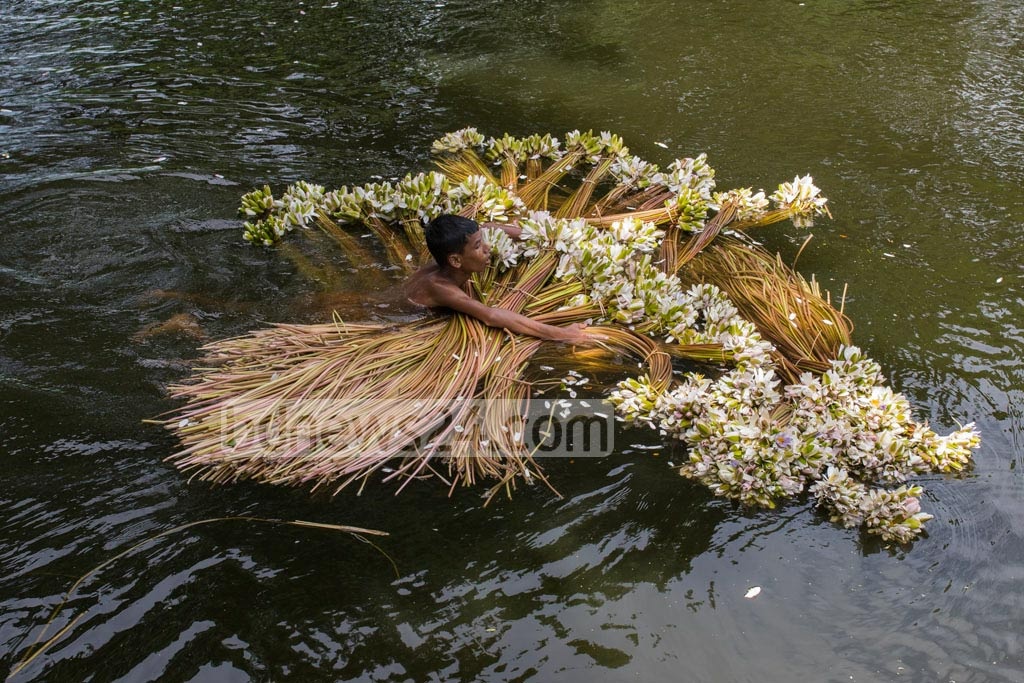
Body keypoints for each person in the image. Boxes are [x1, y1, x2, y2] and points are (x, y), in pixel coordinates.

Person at [403, 214, 597, 344]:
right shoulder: (440, 287)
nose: (488, 248)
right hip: (407, 315)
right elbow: (491, 316)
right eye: (478, 246)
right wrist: (563, 334)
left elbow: (487, 227)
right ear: (455, 260)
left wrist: (541, 237)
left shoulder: (448, 259)